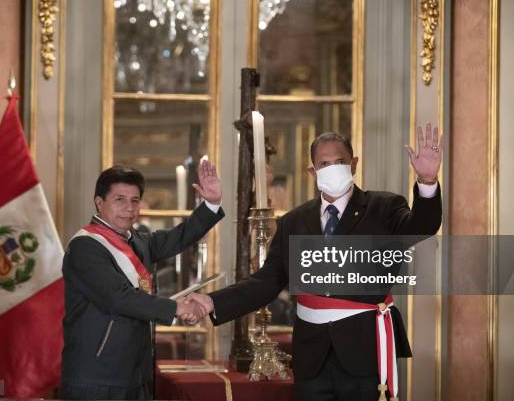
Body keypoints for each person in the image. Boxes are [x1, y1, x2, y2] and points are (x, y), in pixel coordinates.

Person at [185, 126, 443, 401]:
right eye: (325, 164)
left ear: (354, 164)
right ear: (313, 172)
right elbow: (266, 281)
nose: (333, 169)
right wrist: (213, 302)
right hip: (312, 356)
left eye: (340, 162)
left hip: (363, 353)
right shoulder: (294, 222)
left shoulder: (384, 208)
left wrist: (427, 182)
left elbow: (421, 227)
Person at [60, 160, 224, 400]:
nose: (129, 207)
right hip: (97, 377)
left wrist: (210, 204)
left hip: (137, 374)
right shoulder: (84, 247)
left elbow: (180, 237)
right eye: (120, 199)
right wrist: (177, 307)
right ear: (99, 202)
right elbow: (119, 297)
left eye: (134, 201)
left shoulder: (138, 241)